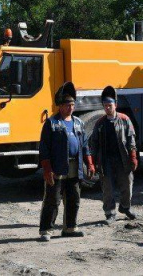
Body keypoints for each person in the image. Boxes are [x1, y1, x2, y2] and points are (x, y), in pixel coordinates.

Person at [38, 81, 93, 241]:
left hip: (75, 167)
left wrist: (89, 163)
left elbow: (84, 145)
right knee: (53, 200)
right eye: (67, 105)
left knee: (74, 198)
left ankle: (70, 228)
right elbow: (44, 149)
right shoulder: (52, 123)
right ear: (60, 106)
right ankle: (46, 230)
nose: (70, 107)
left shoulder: (79, 123)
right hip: (57, 167)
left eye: (72, 104)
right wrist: (47, 170)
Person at [87, 85, 138, 224]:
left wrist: (133, 157)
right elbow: (93, 144)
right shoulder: (100, 123)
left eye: (110, 105)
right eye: (105, 105)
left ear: (115, 105)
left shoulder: (125, 119)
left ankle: (125, 207)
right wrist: (92, 162)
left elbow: (131, 139)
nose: (107, 108)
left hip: (123, 159)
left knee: (127, 184)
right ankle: (110, 213)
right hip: (106, 161)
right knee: (107, 189)